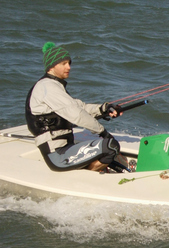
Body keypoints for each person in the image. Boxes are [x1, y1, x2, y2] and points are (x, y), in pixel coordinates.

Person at [25, 42, 122, 172]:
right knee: (111, 146)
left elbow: (79, 106)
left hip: (67, 147)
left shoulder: (55, 86)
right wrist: (103, 132)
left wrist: (104, 109)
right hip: (57, 154)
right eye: (63, 63)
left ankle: (91, 172)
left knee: (108, 147)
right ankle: (86, 177)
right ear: (51, 66)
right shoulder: (47, 87)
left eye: (69, 63)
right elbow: (76, 114)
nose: (69, 67)